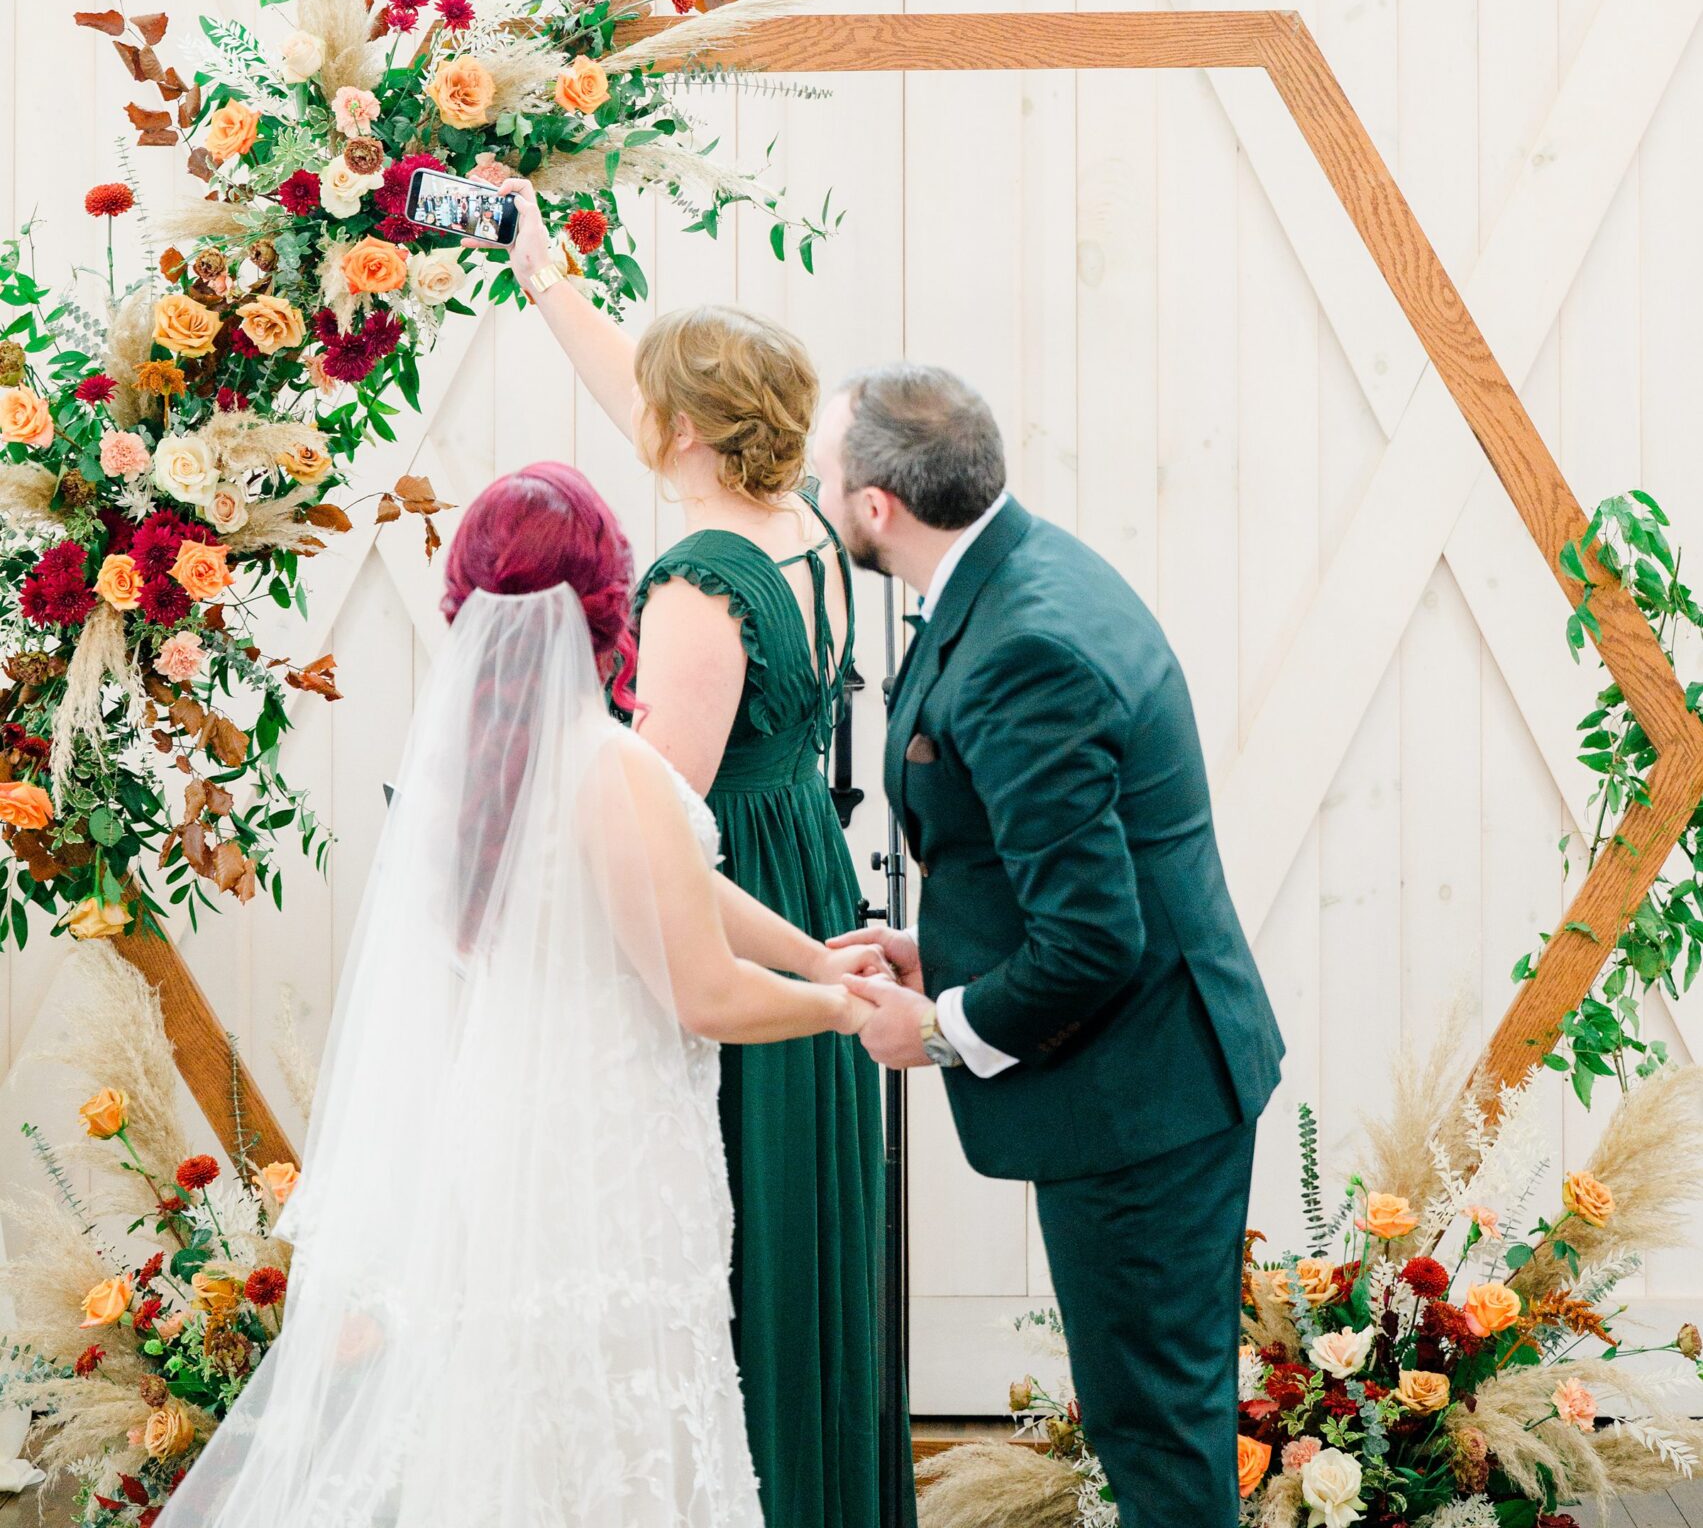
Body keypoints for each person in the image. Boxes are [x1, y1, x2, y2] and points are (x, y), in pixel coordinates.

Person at [157, 462, 878, 1528]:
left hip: (502, 1144)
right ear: (606, 598)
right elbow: (702, 994)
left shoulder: (475, 772)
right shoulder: (611, 766)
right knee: (625, 1424)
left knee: (513, 1424)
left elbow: (680, 882)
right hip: (615, 1158)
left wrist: (818, 958)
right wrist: (849, 1013)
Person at [499, 179, 907, 1528]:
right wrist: (542, 270)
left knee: (736, 1254)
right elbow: (645, 382)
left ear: (680, 433)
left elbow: (655, 820)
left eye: (650, 409)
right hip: (808, 871)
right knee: (809, 1244)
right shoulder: (807, 540)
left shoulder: (694, 586)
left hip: (731, 900)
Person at [816, 365, 1286, 1528]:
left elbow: (1089, 939)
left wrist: (936, 1030)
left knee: (1158, 1440)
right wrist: (941, 945)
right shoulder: (1017, 569)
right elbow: (1054, 858)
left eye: (824, 479)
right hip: (1147, 1068)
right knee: (1151, 1423)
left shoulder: (1026, 643)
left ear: (877, 505)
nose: (815, 498)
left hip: (1144, 1096)